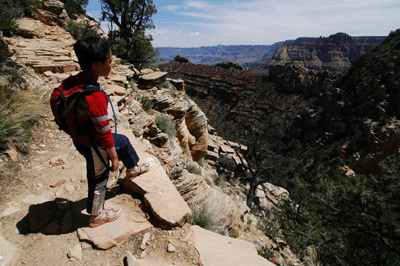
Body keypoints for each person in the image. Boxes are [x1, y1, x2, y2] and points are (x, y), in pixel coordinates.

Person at [58, 36, 150, 228]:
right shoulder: (95, 97)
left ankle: (133, 169)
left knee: (123, 140)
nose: (112, 66)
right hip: (92, 142)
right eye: (109, 62)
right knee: (99, 178)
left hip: (81, 135)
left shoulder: (75, 81)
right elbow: (104, 133)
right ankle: (96, 215)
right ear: (97, 65)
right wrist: (114, 158)